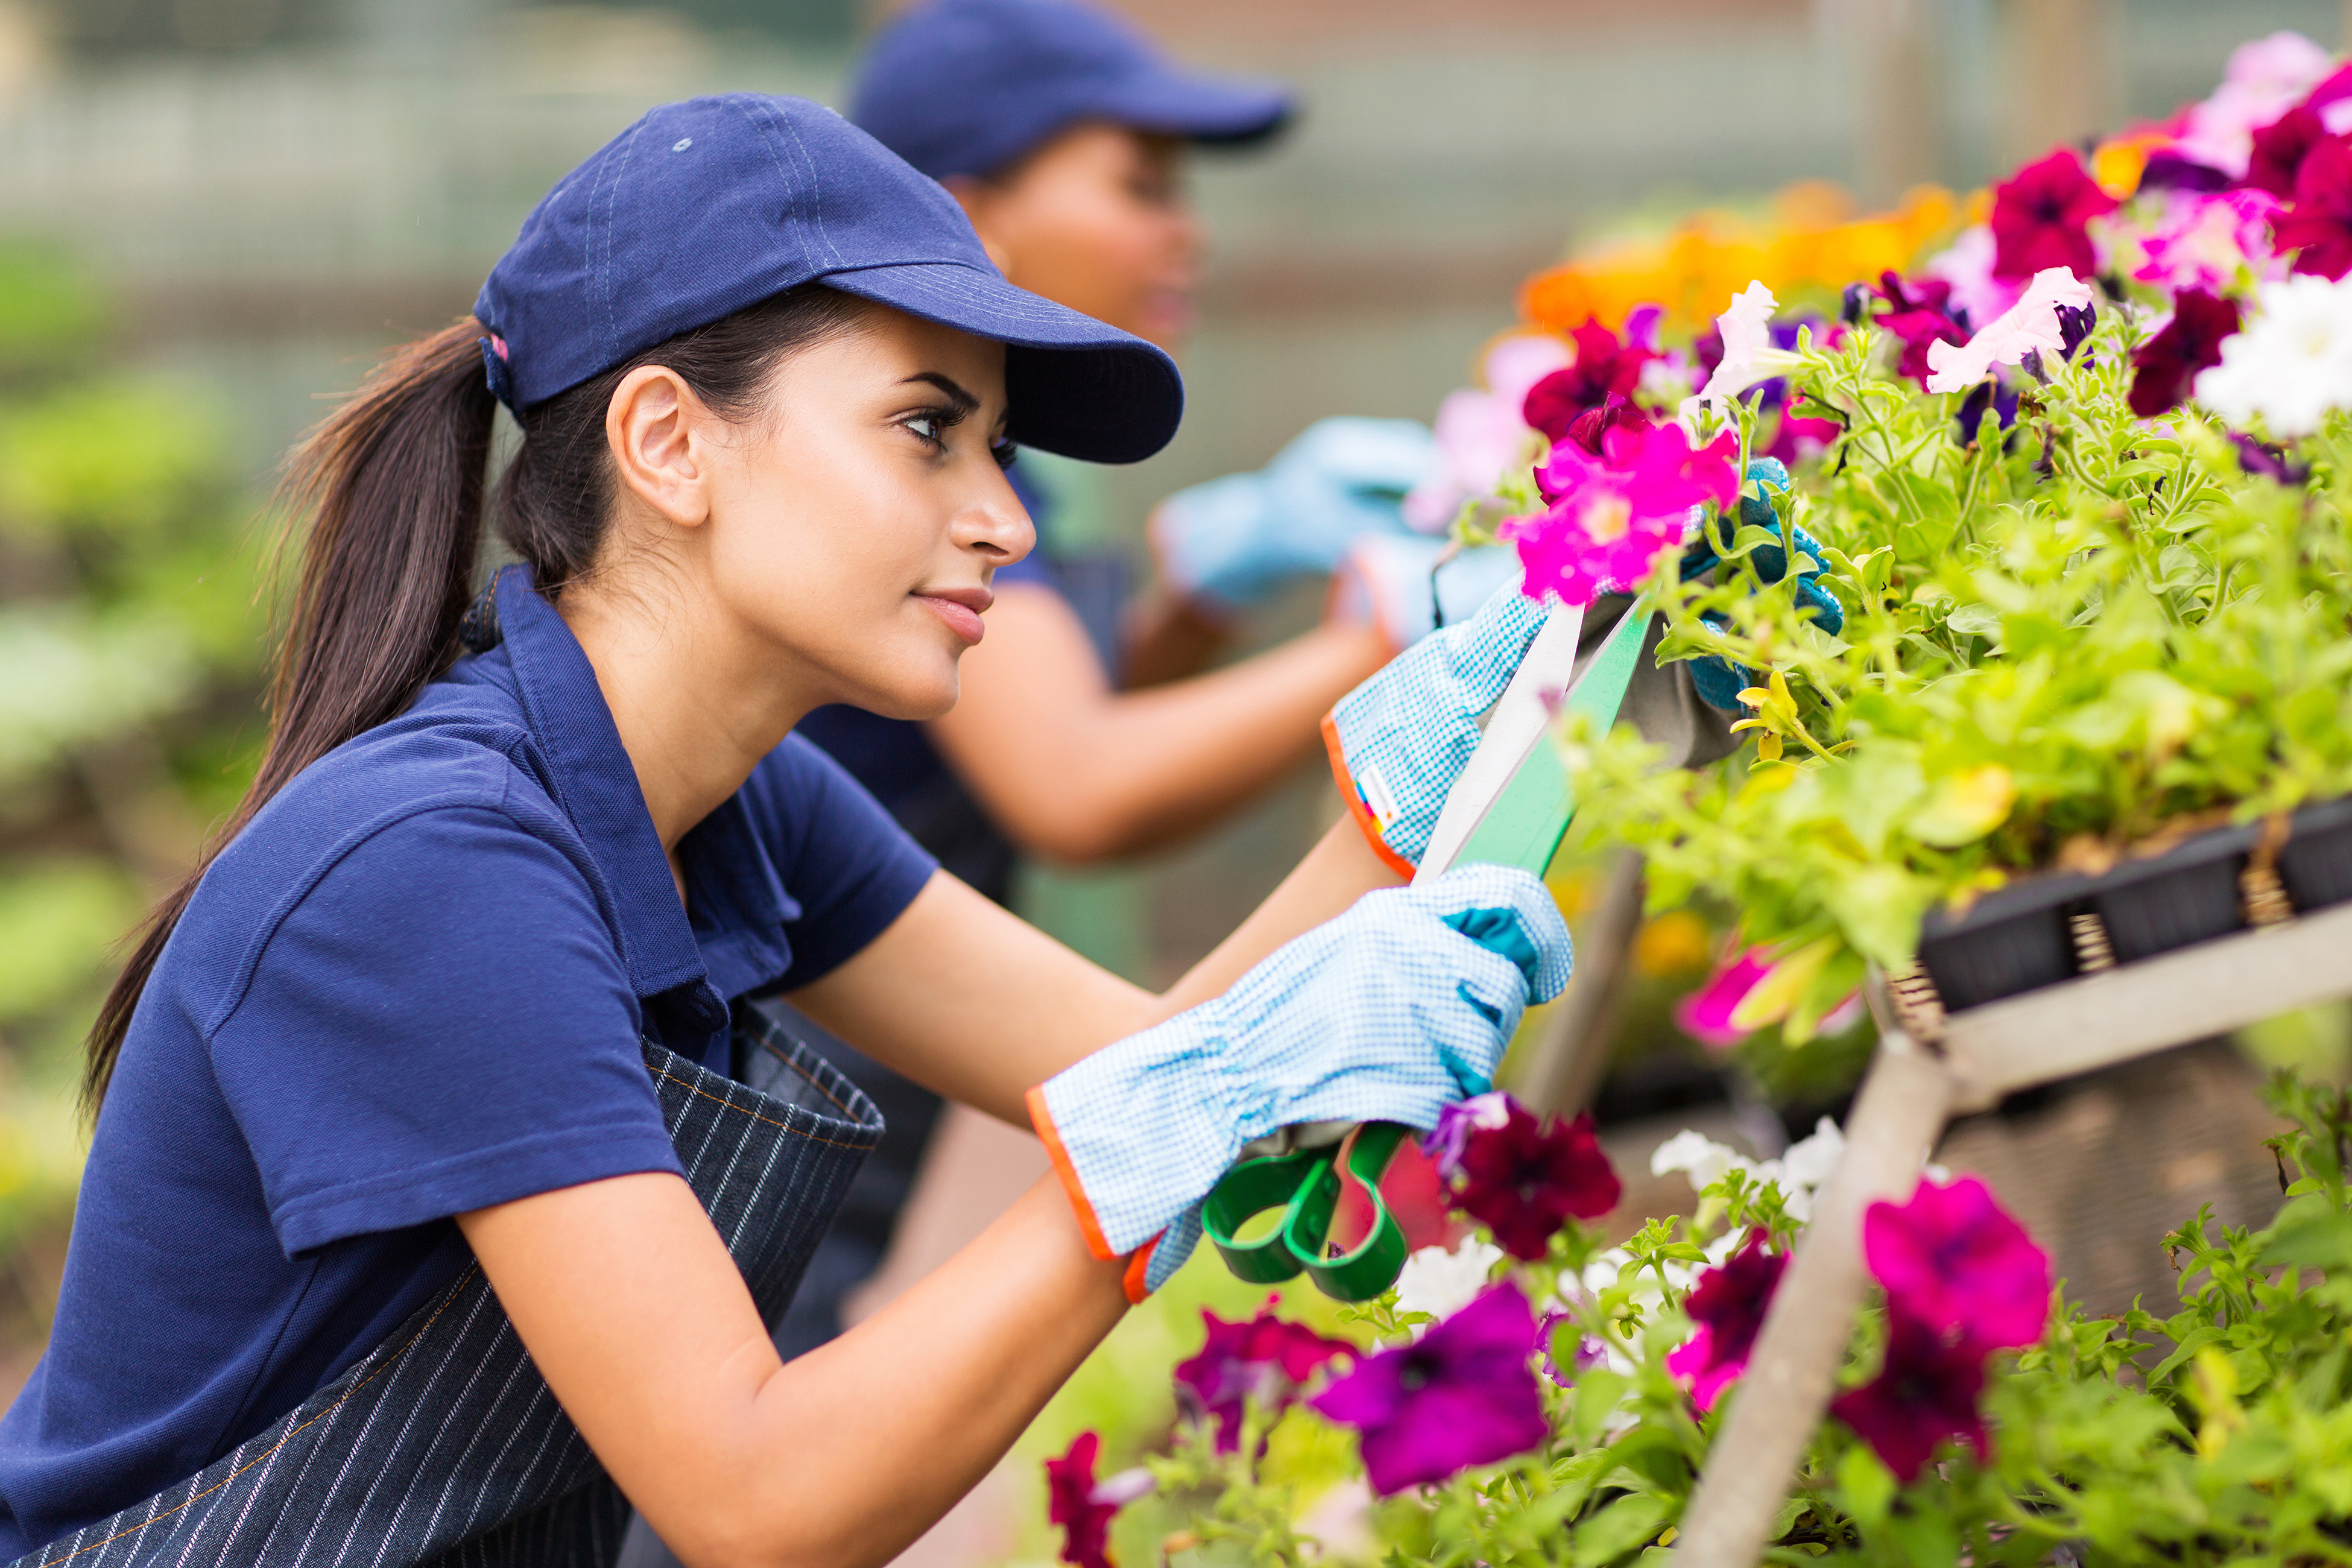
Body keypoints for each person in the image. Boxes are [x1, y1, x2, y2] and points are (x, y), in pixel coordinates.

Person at [0, 96, 1572, 1568]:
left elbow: (1137, 1056)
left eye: (997, 450)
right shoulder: (435, 864)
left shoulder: (742, 801)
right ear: (667, 442)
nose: (1007, 524)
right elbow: (757, 1500)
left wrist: (1408, 792)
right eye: (924, 428)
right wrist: (1200, 1101)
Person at [778, 0, 1460, 1371]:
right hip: (756, 1108)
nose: (1184, 232)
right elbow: (1072, 781)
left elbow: (1022, 714)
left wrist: (1199, 602)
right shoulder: (906, 494)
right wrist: (1385, 642)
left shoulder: (974, 475)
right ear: (969, 214)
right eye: (1140, 187)